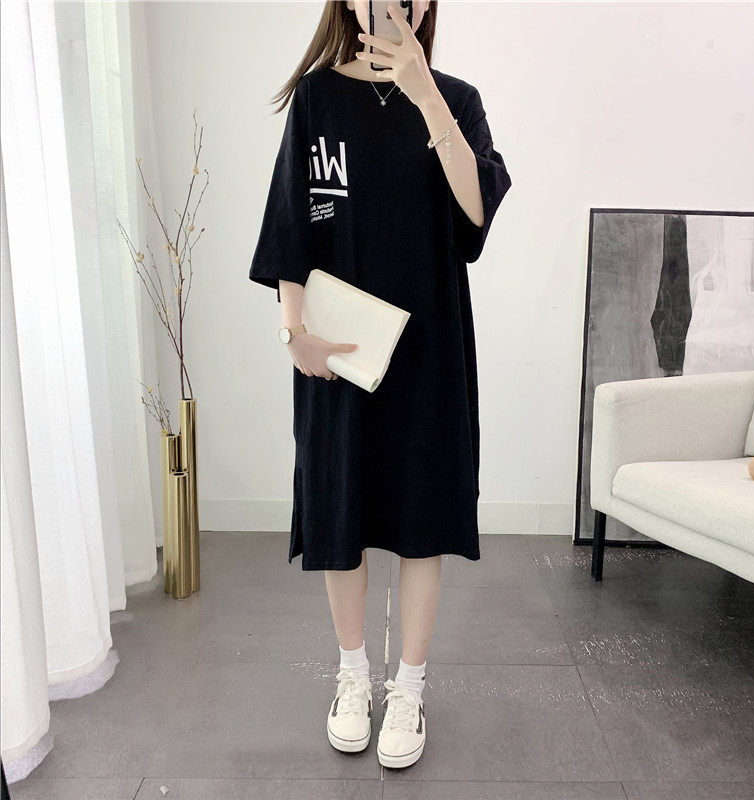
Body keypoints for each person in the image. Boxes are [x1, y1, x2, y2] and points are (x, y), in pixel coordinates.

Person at [249, 0, 511, 769]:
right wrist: (294, 332)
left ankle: (410, 687)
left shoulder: (456, 100)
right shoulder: (316, 100)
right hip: (341, 353)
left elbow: (475, 214)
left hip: (430, 352)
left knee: (421, 516)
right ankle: (352, 675)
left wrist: (426, 96)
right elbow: (291, 225)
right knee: (341, 511)